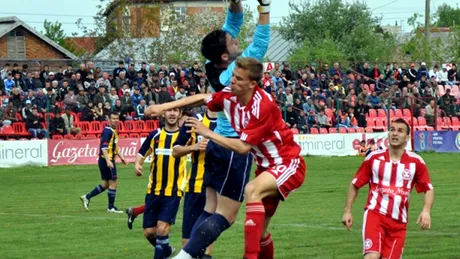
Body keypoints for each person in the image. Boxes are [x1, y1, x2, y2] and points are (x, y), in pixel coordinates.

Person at [146, 57, 306, 259]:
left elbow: (242, 147)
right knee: (262, 233)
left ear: (252, 84)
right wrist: (163, 107)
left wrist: (208, 133)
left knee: (251, 190)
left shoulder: (262, 106)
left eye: (239, 79)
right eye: (233, 77)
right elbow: (203, 98)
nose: (233, 81)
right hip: (265, 168)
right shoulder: (231, 96)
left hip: (287, 162)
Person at [146, 0, 271, 258]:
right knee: (227, 215)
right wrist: (265, 7)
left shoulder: (214, 61)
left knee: (210, 209)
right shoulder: (231, 78)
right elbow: (260, 43)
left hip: (217, 145)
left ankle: (189, 254)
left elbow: (233, 23)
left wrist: (235, 2)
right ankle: (185, 256)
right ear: (226, 56)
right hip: (232, 146)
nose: (237, 40)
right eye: (233, 42)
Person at [342, 118, 434, 259]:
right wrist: (347, 211)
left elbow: (428, 188)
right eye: (392, 129)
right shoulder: (374, 158)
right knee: (372, 256)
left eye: (400, 131)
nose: (395, 133)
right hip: (375, 215)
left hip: (399, 223)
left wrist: (426, 211)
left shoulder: (416, 162)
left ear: (407, 138)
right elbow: (355, 183)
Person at [128, 107, 185, 259]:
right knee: (149, 232)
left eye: (176, 110)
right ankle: (166, 250)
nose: (172, 113)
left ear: (180, 114)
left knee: (162, 229)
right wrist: (137, 164)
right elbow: (142, 152)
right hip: (153, 190)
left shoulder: (185, 136)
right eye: (169, 111)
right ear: (163, 114)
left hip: (173, 191)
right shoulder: (155, 135)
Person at [172, 110, 217, 259]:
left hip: (217, 188)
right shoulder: (194, 121)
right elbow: (175, 150)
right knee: (187, 240)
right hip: (194, 188)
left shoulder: (229, 121)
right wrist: (194, 147)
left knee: (208, 238)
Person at [80, 112, 128, 213]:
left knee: (106, 184)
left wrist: (122, 157)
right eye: (113, 118)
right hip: (106, 160)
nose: (116, 120)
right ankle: (111, 207)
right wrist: (108, 161)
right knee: (113, 182)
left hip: (106, 160)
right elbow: (104, 148)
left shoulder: (113, 131)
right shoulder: (107, 131)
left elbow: (114, 147)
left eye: (117, 118)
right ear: (109, 120)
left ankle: (87, 197)